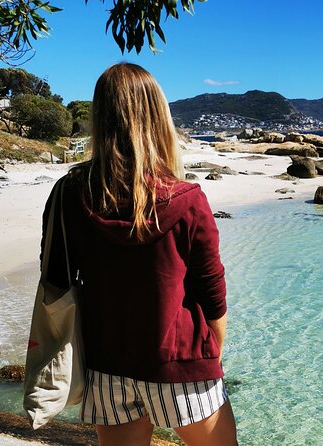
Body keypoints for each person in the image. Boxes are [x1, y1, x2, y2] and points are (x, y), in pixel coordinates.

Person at [41, 63, 238, 446]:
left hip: (107, 365)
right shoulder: (188, 200)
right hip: (181, 365)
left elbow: (56, 281)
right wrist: (210, 357)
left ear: (100, 116)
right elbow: (213, 294)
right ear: (157, 116)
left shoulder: (68, 194)